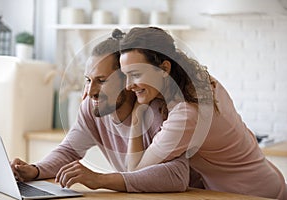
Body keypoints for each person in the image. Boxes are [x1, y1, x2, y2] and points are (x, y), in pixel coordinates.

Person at [10, 31, 203, 192]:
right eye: (88, 80)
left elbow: (177, 176)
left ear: (127, 81)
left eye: (101, 81)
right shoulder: (92, 107)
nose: (91, 91)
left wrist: (100, 180)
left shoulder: (156, 109)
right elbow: (69, 151)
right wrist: (35, 170)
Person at [118, 26, 287, 199]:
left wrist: (137, 116)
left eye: (136, 74)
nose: (128, 85)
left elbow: (134, 169)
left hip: (252, 194)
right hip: (267, 180)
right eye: (126, 75)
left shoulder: (187, 114)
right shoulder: (200, 82)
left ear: (165, 69)